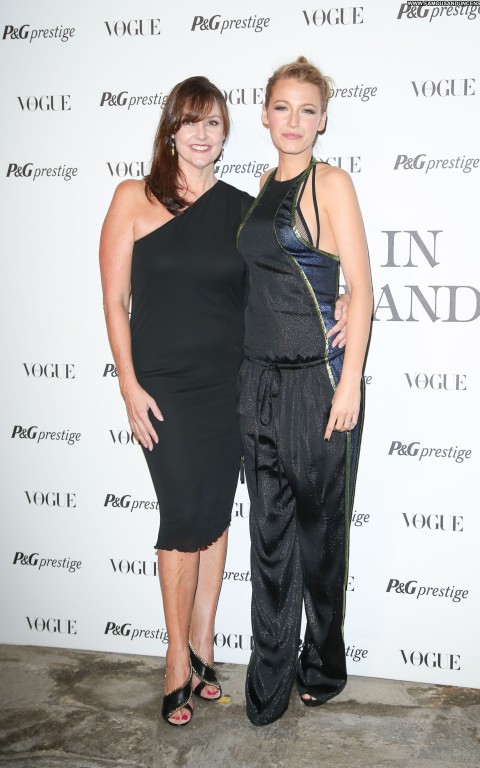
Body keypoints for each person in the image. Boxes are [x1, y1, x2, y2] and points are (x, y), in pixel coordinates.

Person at [99, 76, 349, 727]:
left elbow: (288, 273)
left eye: (213, 123)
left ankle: (204, 647)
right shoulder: (132, 198)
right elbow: (114, 301)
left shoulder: (243, 208)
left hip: (232, 386)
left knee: (213, 519)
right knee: (184, 519)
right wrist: (127, 383)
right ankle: (174, 660)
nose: (202, 134)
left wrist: (345, 297)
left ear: (227, 131)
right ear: (171, 129)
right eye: (190, 121)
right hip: (164, 389)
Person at [237, 57, 373, 726]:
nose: (294, 121)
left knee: (320, 540)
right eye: (282, 108)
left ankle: (322, 666)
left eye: (308, 110)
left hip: (318, 383)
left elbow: (362, 290)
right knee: (269, 537)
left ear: (323, 120)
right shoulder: (264, 184)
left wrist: (348, 385)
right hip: (258, 382)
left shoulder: (332, 183)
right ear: (265, 114)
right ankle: (269, 677)